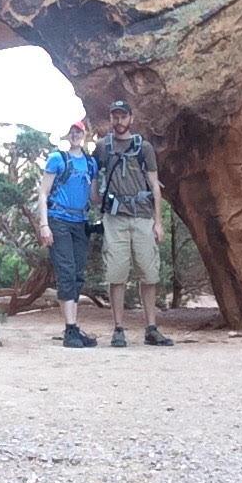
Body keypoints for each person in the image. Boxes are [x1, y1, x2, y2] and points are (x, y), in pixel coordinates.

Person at [95, 100, 174, 347]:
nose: (119, 121)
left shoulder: (144, 147)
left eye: (123, 116)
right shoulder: (102, 147)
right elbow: (92, 177)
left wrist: (158, 222)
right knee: (116, 274)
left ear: (131, 118)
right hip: (115, 218)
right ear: (110, 118)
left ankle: (151, 327)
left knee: (148, 273)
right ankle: (118, 328)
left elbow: (154, 185)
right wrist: (95, 203)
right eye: (115, 116)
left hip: (142, 216)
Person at [35, 119, 99, 347]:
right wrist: (44, 225)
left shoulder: (91, 164)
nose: (75, 135)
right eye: (72, 131)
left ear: (85, 136)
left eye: (79, 132)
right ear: (67, 135)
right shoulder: (57, 159)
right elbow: (43, 193)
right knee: (66, 270)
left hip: (80, 222)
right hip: (59, 220)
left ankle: (74, 328)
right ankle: (70, 329)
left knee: (78, 272)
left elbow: (94, 197)